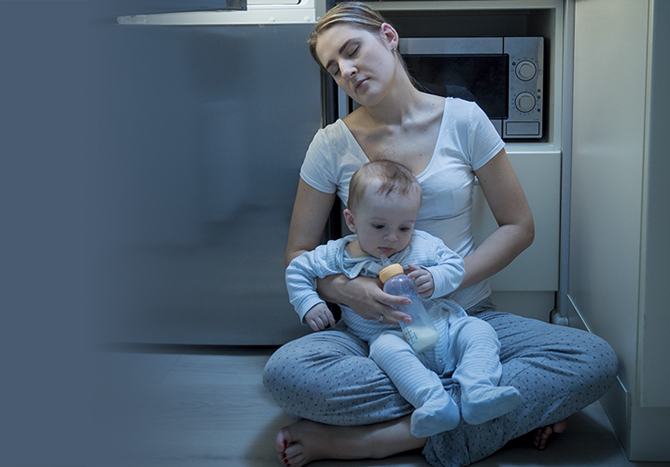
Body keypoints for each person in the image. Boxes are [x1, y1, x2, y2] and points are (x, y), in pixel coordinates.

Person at [263, 3, 618, 467]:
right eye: (334, 68)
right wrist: (352, 294)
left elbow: (519, 227)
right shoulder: (331, 143)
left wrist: (446, 281)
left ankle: (384, 439)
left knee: (593, 359)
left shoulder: (466, 120)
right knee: (286, 375)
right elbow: (299, 253)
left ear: (388, 36)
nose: (347, 71)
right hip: (373, 333)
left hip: (468, 318)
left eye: (352, 50)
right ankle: (498, 404)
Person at [286, 160, 522, 438]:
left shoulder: (423, 245)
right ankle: (433, 402)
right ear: (352, 220)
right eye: (378, 226)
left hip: (442, 327)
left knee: (479, 330)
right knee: (383, 349)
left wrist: (435, 278)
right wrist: (309, 303)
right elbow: (297, 268)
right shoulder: (339, 254)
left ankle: (479, 390)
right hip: (390, 337)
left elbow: (456, 266)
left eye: (404, 228)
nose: (391, 238)